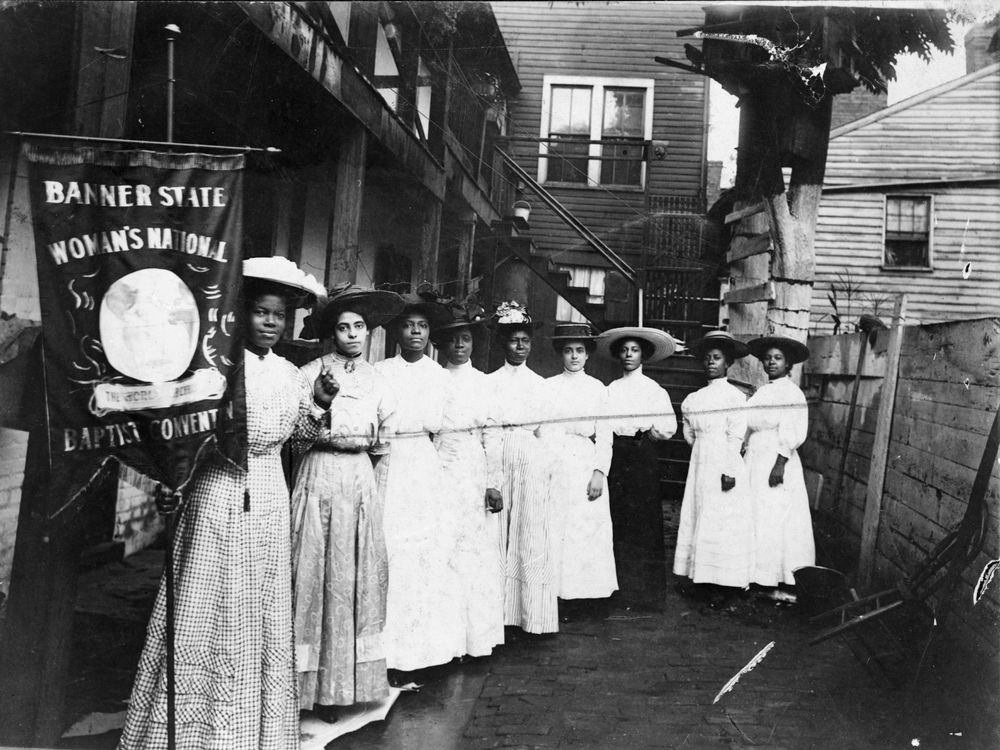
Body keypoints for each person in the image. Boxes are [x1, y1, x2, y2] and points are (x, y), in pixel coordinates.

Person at [120, 256, 334, 750]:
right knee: (207, 600)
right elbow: (182, 432)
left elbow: (297, 441)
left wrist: (320, 403)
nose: (270, 323)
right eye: (261, 312)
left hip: (269, 495)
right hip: (218, 491)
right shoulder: (216, 367)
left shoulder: (291, 374)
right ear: (242, 313)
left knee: (259, 607)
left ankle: (253, 734)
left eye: (278, 316)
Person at [290, 285, 403, 722]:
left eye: (359, 327)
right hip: (318, 472)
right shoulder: (310, 373)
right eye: (343, 327)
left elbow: (385, 444)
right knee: (313, 572)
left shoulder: (379, 381)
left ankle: (347, 686)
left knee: (351, 574)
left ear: (369, 332)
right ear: (331, 333)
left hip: (359, 479)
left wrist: (373, 495)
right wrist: (322, 402)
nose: (352, 334)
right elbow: (297, 434)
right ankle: (308, 687)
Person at [374, 290, 465, 674]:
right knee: (390, 550)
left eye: (423, 326)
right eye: (408, 325)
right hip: (389, 465)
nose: (416, 332)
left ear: (430, 334)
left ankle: (427, 653)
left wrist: (443, 480)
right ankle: (387, 654)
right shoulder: (380, 372)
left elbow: (449, 435)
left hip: (425, 468)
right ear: (396, 332)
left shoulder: (440, 377)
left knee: (426, 554)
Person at [432, 301, 505, 658]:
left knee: (473, 550)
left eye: (465, 339)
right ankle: (446, 641)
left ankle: (474, 639)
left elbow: (492, 433)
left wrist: (494, 481)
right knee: (444, 547)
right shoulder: (435, 379)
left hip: (474, 467)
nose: (459, 346)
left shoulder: (485, 384)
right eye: (453, 340)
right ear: (442, 346)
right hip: (442, 464)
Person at [486, 301, 558, 635]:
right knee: (498, 532)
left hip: (531, 455)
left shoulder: (541, 386)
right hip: (500, 453)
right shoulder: (490, 382)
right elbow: (488, 429)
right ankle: (498, 616)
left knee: (530, 533)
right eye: (513, 340)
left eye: (524, 340)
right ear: (504, 343)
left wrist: (544, 467)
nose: (519, 346)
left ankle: (532, 616)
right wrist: (491, 475)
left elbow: (548, 432)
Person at [596, 326, 678, 611]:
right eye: (625, 350)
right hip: (618, 455)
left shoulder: (653, 390)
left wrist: (647, 437)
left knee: (644, 522)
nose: (629, 355)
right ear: (619, 355)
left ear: (643, 355)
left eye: (635, 350)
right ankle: (619, 589)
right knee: (617, 519)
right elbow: (603, 426)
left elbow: (668, 426)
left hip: (642, 457)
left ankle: (646, 594)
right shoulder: (611, 390)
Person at [542, 323, 618, 618]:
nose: (574, 356)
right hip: (557, 459)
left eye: (579, 351)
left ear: (587, 356)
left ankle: (589, 594)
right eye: (568, 351)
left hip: (586, 459)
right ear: (561, 354)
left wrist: (600, 471)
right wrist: (546, 466)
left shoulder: (597, 389)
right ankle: (558, 593)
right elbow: (544, 430)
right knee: (558, 525)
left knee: (587, 527)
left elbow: (605, 434)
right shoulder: (549, 387)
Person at [672, 330, 754, 600]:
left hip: (724, 463)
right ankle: (700, 576)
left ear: (727, 363)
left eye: (717, 358)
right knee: (699, 514)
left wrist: (728, 470)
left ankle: (723, 581)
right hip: (701, 463)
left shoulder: (734, 398)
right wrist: (699, 447)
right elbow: (689, 433)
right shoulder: (694, 399)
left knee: (720, 519)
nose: (711, 363)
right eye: (707, 358)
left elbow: (736, 437)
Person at [744, 335, 815, 588]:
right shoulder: (763, 392)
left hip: (775, 457)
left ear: (788, 364)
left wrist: (780, 463)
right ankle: (755, 572)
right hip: (755, 456)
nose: (771, 362)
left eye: (778, 358)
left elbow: (794, 430)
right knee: (755, 512)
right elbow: (749, 424)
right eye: (767, 358)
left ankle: (775, 575)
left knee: (773, 513)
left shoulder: (791, 393)